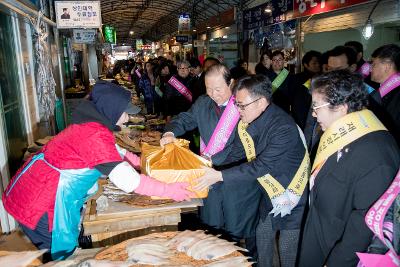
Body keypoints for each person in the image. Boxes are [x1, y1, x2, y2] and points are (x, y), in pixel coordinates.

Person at [2, 81, 193, 261]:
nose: (128, 118)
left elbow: (118, 153)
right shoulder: (94, 135)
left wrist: (146, 166)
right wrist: (170, 190)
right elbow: (131, 182)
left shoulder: (92, 126)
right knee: (58, 256)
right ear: (111, 112)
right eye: (125, 113)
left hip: (32, 191)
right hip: (39, 203)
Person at [194, 74, 308, 267]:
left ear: (262, 102)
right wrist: (209, 162)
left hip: (290, 194)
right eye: (236, 104)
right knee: (262, 240)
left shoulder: (283, 127)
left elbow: (261, 165)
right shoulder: (248, 121)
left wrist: (220, 175)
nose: (237, 110)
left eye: (241, 105)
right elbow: (236, 152)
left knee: (288, 252)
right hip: (267, 192)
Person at [297, 70, 400, 266]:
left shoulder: (377, 151)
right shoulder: (342, 132)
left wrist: (335, 262)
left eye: (317, 107)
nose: (313, 113)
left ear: (342, 107)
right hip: (320, 235)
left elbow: (364, 224)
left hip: (337, 254)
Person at [160, 64, 257, 250]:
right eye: (208, 88)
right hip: (208, 181)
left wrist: (211, 162)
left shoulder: (244, 105)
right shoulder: (203, 103)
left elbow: (244, 146)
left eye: (218, 89)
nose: (213, 94)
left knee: (239, 234)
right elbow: (184, 119)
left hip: (236, 179)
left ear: (232, 83)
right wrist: (170, 132)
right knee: (211, 232)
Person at [369, 44, 400, 145]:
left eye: (373, 64)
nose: (370, 69)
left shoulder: (397, 95)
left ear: (387, 66)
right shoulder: (386, 90)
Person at [292, 50, 322, 129]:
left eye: (319, 62)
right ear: (306, 64)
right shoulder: (298, 79)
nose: (318, 65)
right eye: (314, 63)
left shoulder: (323, 78)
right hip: (302, 116)